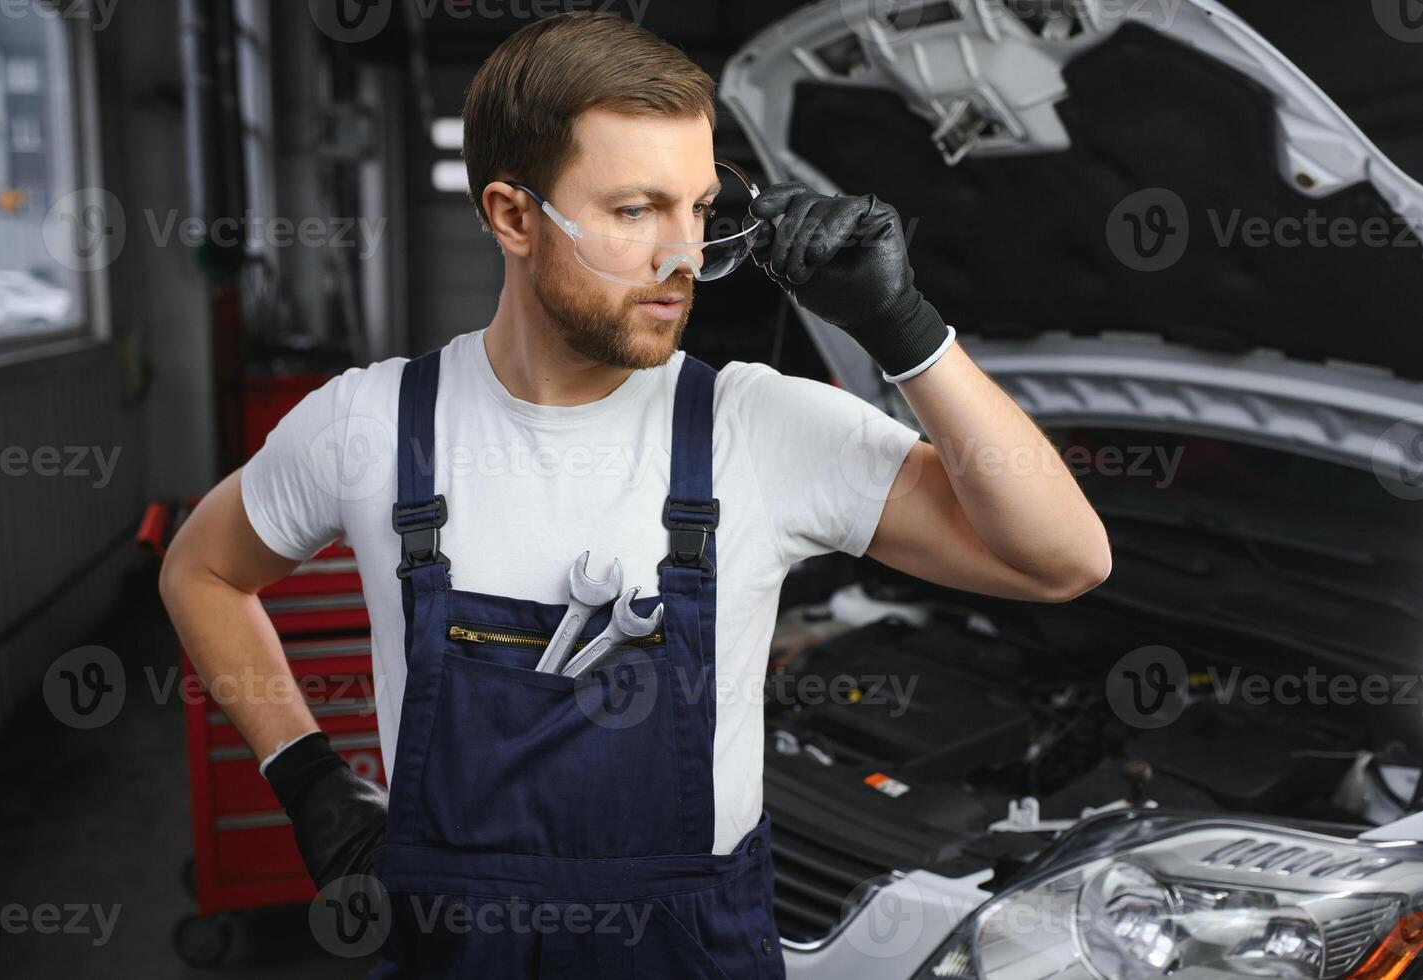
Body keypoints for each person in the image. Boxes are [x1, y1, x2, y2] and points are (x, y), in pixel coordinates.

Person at [158, 11, 1110, 977]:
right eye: (633, 211)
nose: (683, 255)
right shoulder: (368, 423)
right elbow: (200, 570)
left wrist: (907, 332)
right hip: (450, 945)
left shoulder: (758, 426)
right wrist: (308, 777)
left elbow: (1064, 559)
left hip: (690, 944)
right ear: (512, 216)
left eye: (698, 208)